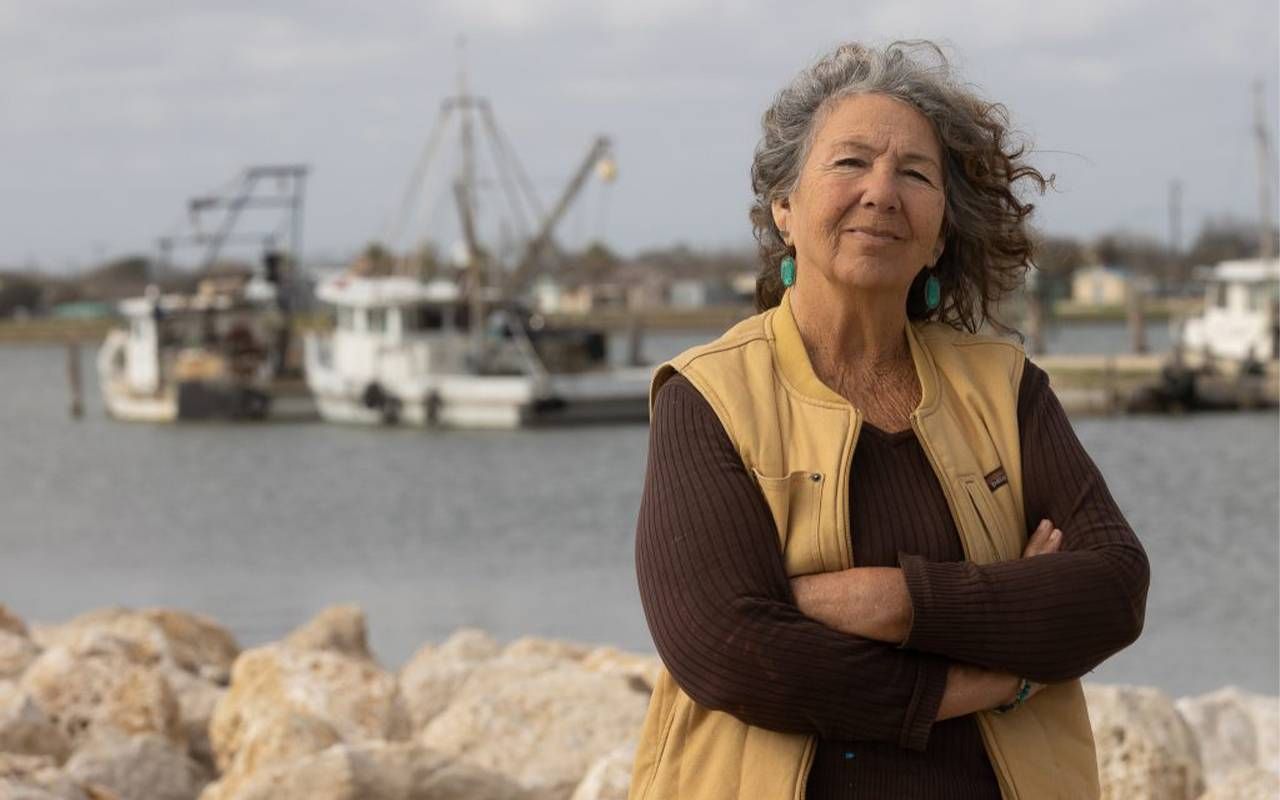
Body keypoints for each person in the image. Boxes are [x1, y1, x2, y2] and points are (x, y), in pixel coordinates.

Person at [630, 41, 1149, 799]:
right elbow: (731, 649)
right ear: (784, 207)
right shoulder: (707, 394)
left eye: (914, 173)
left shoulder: (1005, 387)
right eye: (849, 163)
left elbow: (1111, 589)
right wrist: (991, 675)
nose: (882, 192)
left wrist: (888, 601)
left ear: (940, 232)